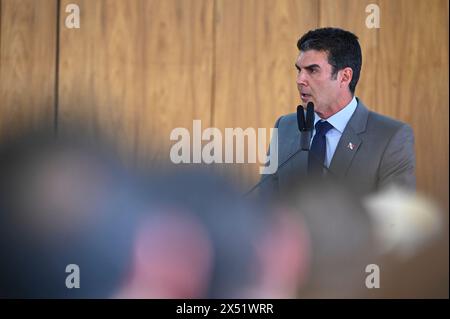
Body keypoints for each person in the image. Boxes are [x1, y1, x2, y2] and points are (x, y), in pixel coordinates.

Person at [262, 27, 416, 197]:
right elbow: (265, 202)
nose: (300, 80)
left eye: (312, 70)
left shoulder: (391, 137)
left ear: (345, 77)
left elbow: (396, 219)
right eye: (299, 70)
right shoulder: (285, 127)